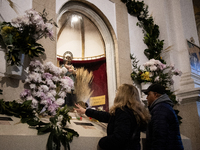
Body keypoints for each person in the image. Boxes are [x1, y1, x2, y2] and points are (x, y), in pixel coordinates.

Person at [74, 84, 151, 150]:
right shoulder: (134, 111)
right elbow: (107, 116)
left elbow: (119, 137)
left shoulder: (123, 112)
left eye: (117, 92)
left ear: (121, 95)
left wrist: (102, 142)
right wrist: (86, 111)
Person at [142, 83, 184, 150]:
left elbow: (159, 136)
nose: (147, 97)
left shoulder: (160, 109)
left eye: (148, 94)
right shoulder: (163, 106)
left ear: (155, 94)